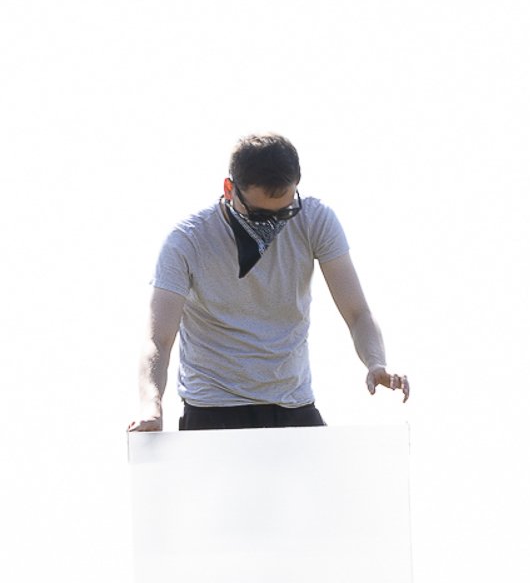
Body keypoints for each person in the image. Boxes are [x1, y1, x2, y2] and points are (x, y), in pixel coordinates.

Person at [128, 132, 409, 432]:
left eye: (285, 212)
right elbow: (158, 340)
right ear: (228, 189)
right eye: (260, 215)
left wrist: (376, 362)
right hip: (213, 408)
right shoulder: (187, 241)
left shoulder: (316, 220)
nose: (274, 224)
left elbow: (358, 313)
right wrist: (152, 406)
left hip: (293, 404)